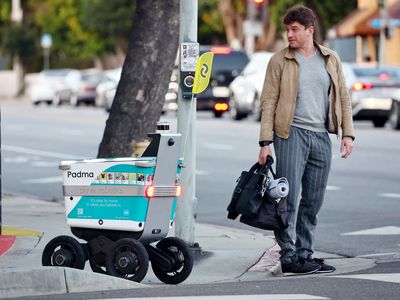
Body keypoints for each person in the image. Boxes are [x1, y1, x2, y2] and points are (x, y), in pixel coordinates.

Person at [258, 5, 355, 275]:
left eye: (294, 29)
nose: (289, 34)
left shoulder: (330, 59)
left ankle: (304, 253)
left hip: (321, 136)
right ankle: (288, 255)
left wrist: (347, 133)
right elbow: (268, 102)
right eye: (287, 29)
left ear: (309, 30)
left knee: (313, 200)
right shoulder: (280, 61)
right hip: (291, 134)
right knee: (287, 201)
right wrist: (265, 142)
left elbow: (343, 97)